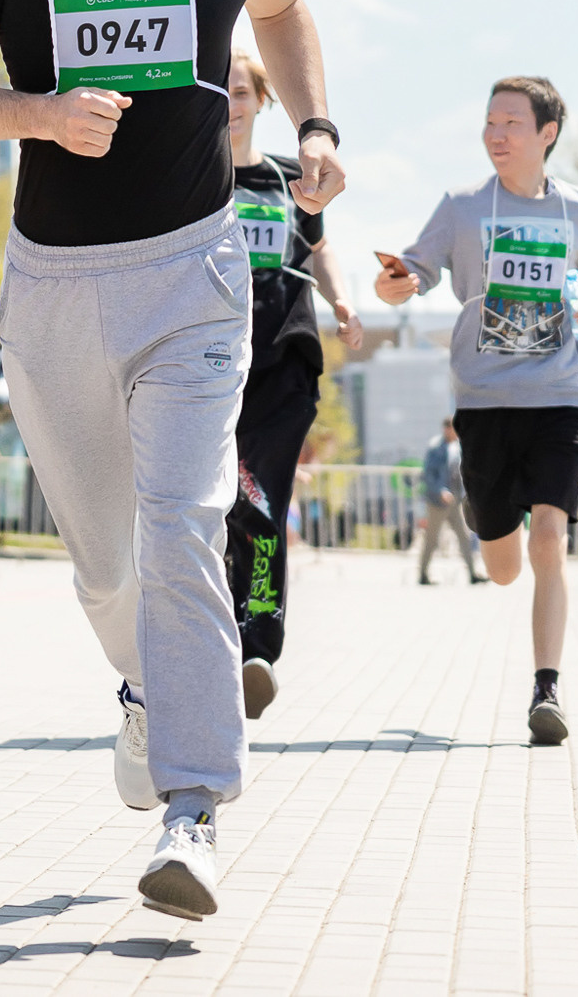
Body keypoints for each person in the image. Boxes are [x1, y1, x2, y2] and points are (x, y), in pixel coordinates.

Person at [0, 0, 344, 921]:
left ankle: (192, 812)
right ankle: (150, 695)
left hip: (193, 271)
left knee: (181, 526)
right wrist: (39, 116)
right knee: (107, 564)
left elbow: (286, 11)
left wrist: (316, 126)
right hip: (53, 281)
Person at [376, 76, 578, 746]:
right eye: (489, 122)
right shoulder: (461, 207)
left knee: (551, 539)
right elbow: (413, 274)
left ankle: (547, 688)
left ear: (547, 133)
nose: (497, 135)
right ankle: (484, 510)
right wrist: (391, 283)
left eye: (512, 122)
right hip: (484, 401)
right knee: (503, 565)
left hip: (560, 394)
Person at [223, 46, 364, 718]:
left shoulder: (286, 179)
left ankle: (258, 644)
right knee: (215, 506)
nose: (230, 102)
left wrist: (341, 302)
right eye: (218, 90)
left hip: (282, 358)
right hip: (207, 363)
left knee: (264, 498)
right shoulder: (190, 179)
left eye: (242, 90)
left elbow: (318, 246)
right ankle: (216, 640)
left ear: (262, 100)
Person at [417, 417, 484, 585]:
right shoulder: (435, 448)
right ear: (447, 429)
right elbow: (429, 474)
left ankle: (472, 573)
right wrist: (440, 491)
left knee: (464, 537)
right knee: (432, 539)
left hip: (455, 502)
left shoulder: (458, 447)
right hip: (438, 502)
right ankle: (423, 574)